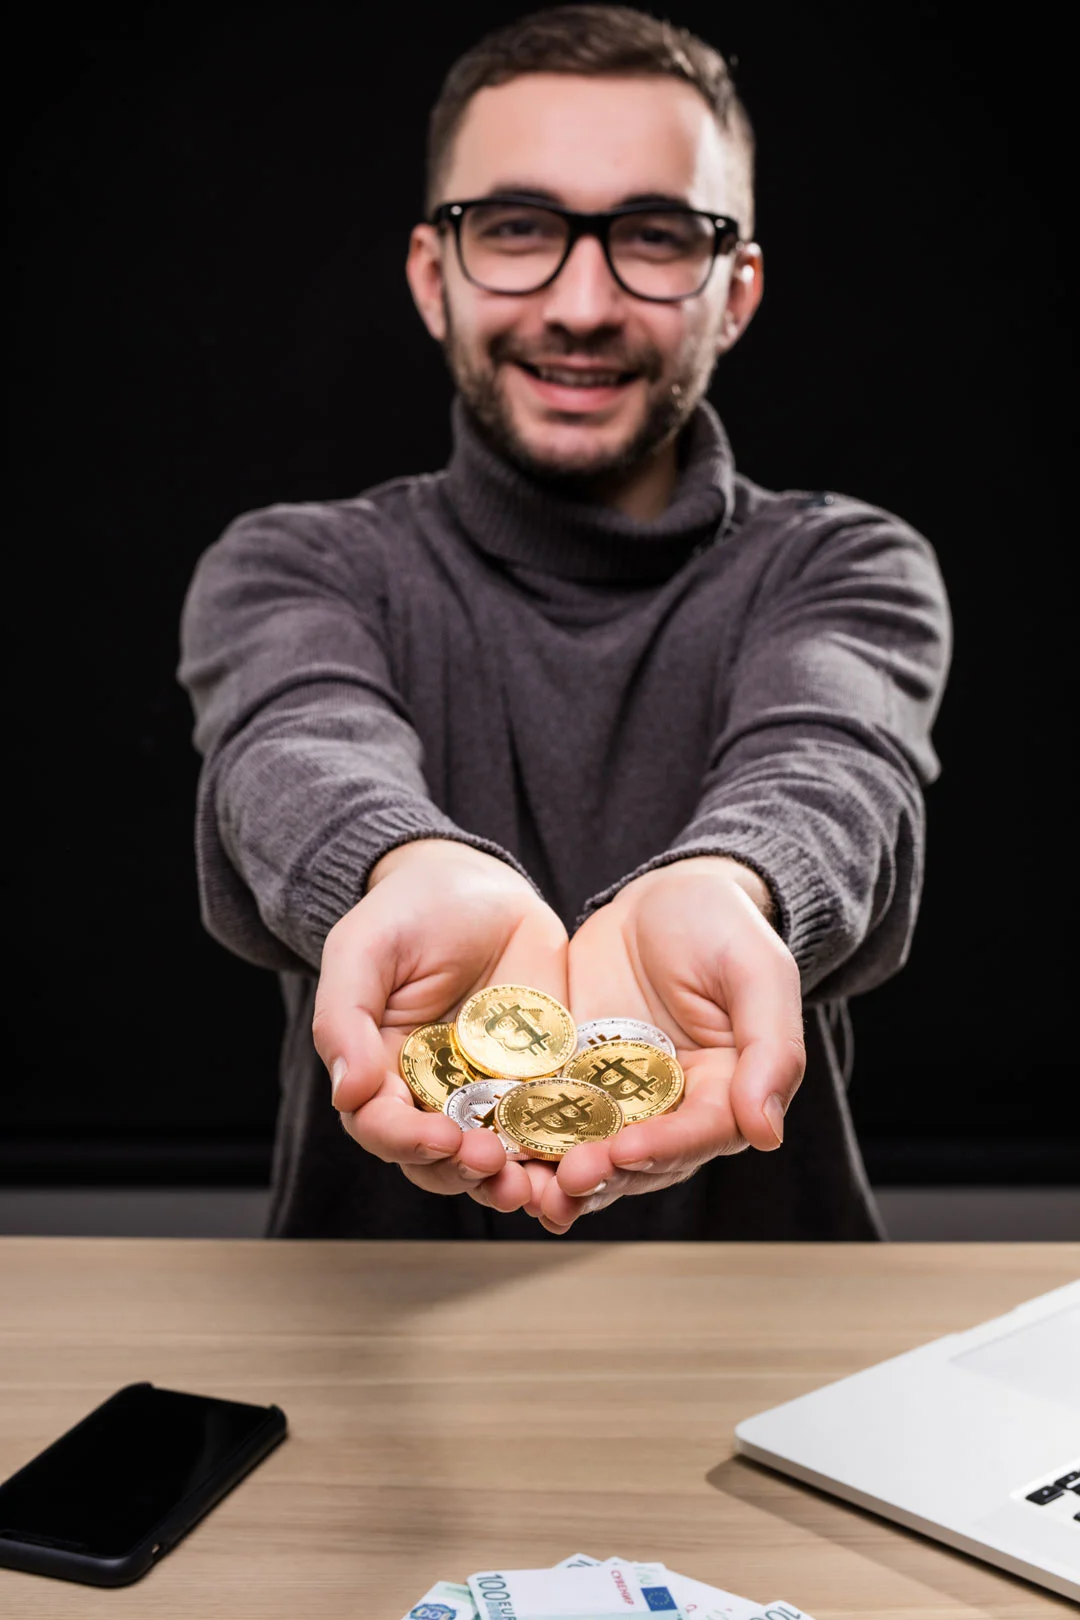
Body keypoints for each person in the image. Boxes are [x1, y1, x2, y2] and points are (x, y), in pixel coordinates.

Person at [178, 5, 950, 1241]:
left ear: (734, 289)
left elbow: (831, 762)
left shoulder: (847, 563)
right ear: (436, 273)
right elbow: (291, 741)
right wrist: (404, 864)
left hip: (767, 1338)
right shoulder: (295, 564)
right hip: (357, 1337)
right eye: (519, 230)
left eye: (654, 235)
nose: (582, 303)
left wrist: (733, 884)